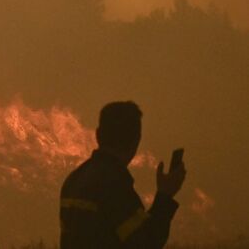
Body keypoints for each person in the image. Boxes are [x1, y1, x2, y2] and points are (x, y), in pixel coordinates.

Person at [60, 101, 186, 248]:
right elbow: (146, 242)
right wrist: (165, 196)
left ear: (98, 135)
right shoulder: (114, 187)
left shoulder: (73, 181)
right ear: (136, 140)